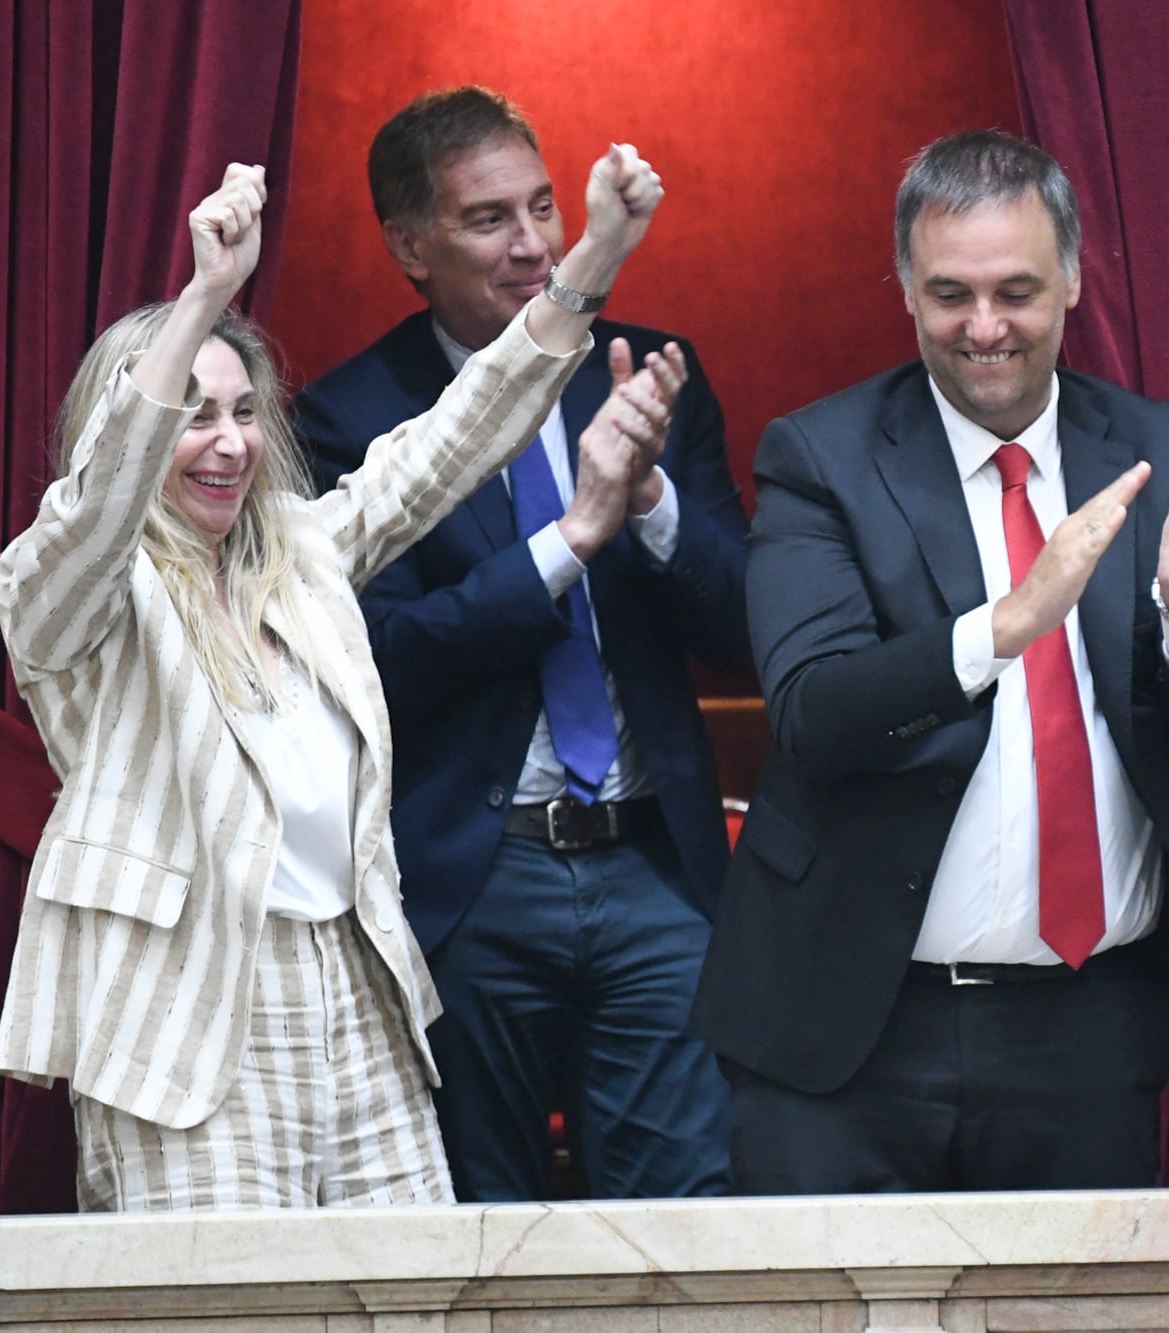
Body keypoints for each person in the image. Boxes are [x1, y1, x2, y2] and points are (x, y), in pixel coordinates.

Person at [0, 148, 679, 1210]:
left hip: (356, 990)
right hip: (197, 1010)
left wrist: (591, 261)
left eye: (243, 413)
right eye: (193, 415)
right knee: (224, 1313)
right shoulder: (75, 596)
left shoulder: (300, 557)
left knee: (407, 1301)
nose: (226, 443)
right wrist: (206, 296)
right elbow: (96, 508)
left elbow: (448, 442)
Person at [692, 129, 1169, 1193]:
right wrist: (1009, 621)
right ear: (906, 291)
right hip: (856, 1023)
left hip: (1090, 1023)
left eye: (1017, 289)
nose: (985, 327)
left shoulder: (1155, 445)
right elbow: (814, 712)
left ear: (1072, 279)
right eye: (949, 294)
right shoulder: (819, 456)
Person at [293, 87, 749, 1201]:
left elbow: (744, 628)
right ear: (409, 244)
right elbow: (382, 659)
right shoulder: (354, 418)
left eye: (544, 208)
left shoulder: (647, 374)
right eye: (489, 219)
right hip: (471, 877)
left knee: (684, 1221)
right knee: (474, 1224)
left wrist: (645, 503)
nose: (535, 245)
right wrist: (567, 538)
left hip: (654, 865)